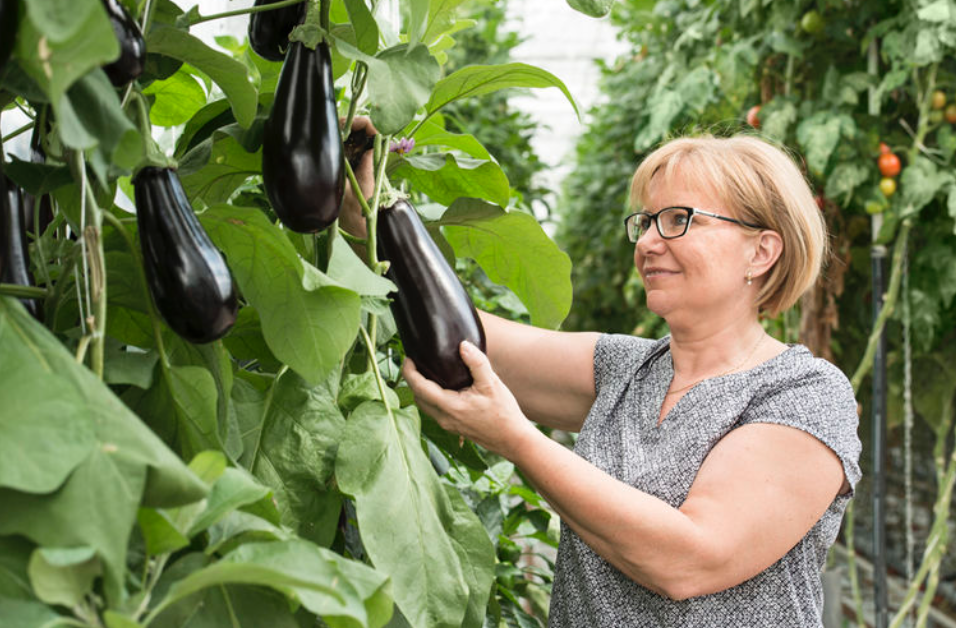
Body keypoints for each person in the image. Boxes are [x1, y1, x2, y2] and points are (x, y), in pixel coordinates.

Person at [343, 127, 861, 625]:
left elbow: (689, 559)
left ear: (761, 251)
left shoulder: (804, 394)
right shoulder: (626, 370)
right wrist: (366, 214)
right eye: (646, 221)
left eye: (679, 219)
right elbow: (461, 337)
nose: (650, 242)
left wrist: (516, 441)